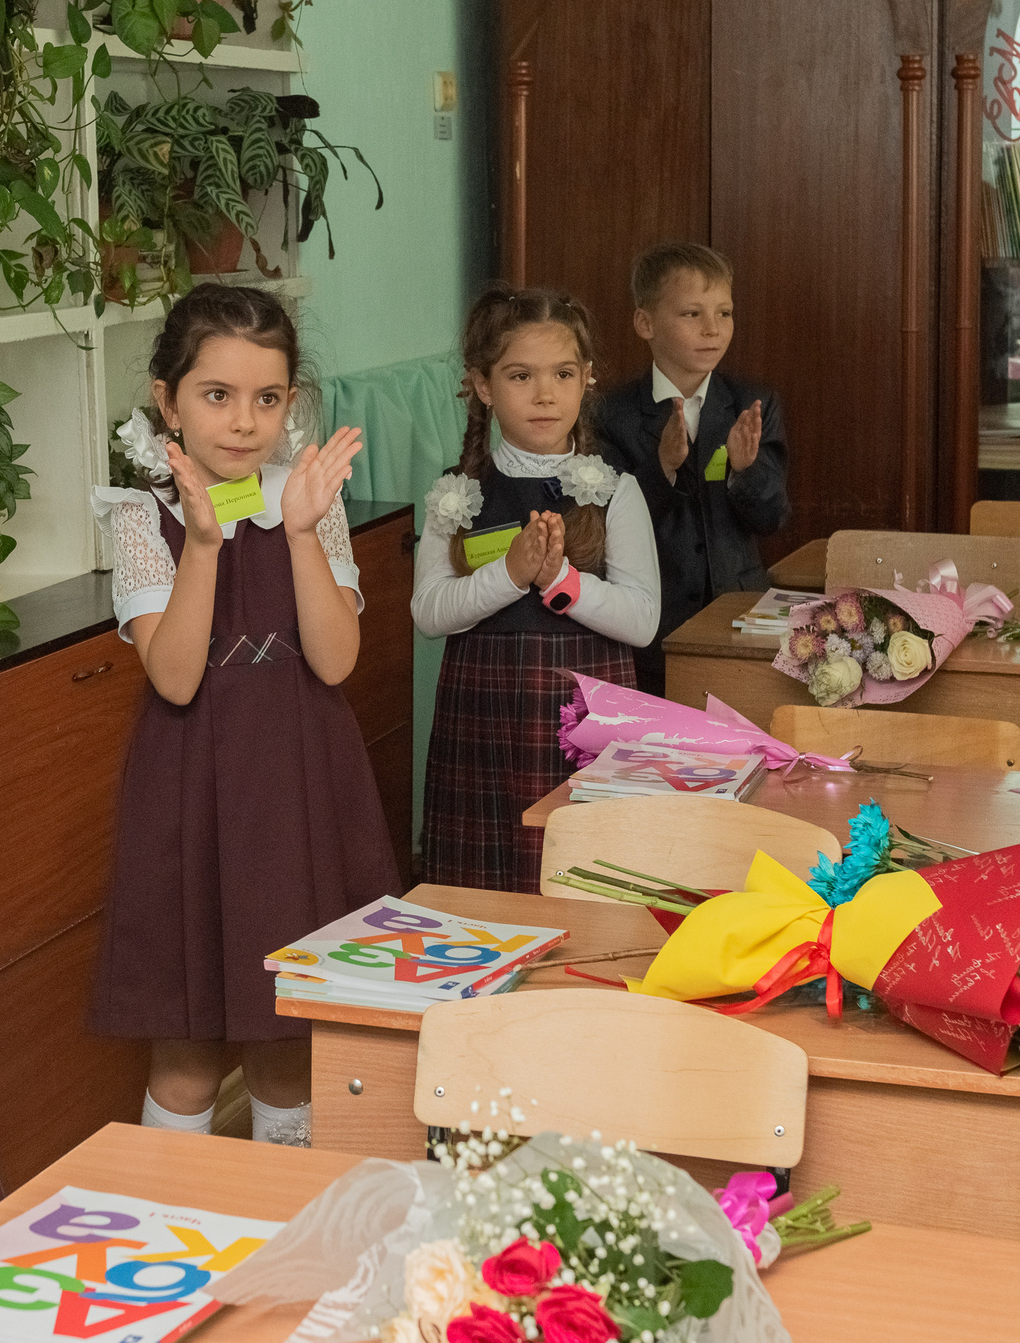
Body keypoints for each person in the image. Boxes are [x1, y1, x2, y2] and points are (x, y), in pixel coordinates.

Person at [88, 283, 395, 1150]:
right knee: (185, 1044)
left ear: (290, 401)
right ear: (167, 400)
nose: (242, 420)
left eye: (267, 398)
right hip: (191, 795)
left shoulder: (310, 499)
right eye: (215, 395)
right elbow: (176, 677)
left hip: (300, 790)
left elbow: (335, 659)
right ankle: (168, 1224)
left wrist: (300, 533)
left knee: (287, 1040)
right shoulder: (143, 516)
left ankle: (283, 1235)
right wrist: (204, 543)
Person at [414, 288, 659, 891]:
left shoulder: (614, 490)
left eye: (563, 374)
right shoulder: (457, 492)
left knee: (580, 872)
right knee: (485, 879)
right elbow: (428, 611)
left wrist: (560, 582)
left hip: (586, 707)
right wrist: (509, 575)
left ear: (588, 381)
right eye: (520, 375)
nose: (545, 394)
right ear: (483, 385)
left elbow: (643, 619)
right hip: (484, 708)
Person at [598, 242, 790, 696]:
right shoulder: (612, 414)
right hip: (650, 630)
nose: (712, 329)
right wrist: (661, 466)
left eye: (724, 313)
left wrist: (743, 471)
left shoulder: (752, 402)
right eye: (691, 314)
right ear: (646, 323)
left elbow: (773, 516)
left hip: (741, 620)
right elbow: (605, 531)